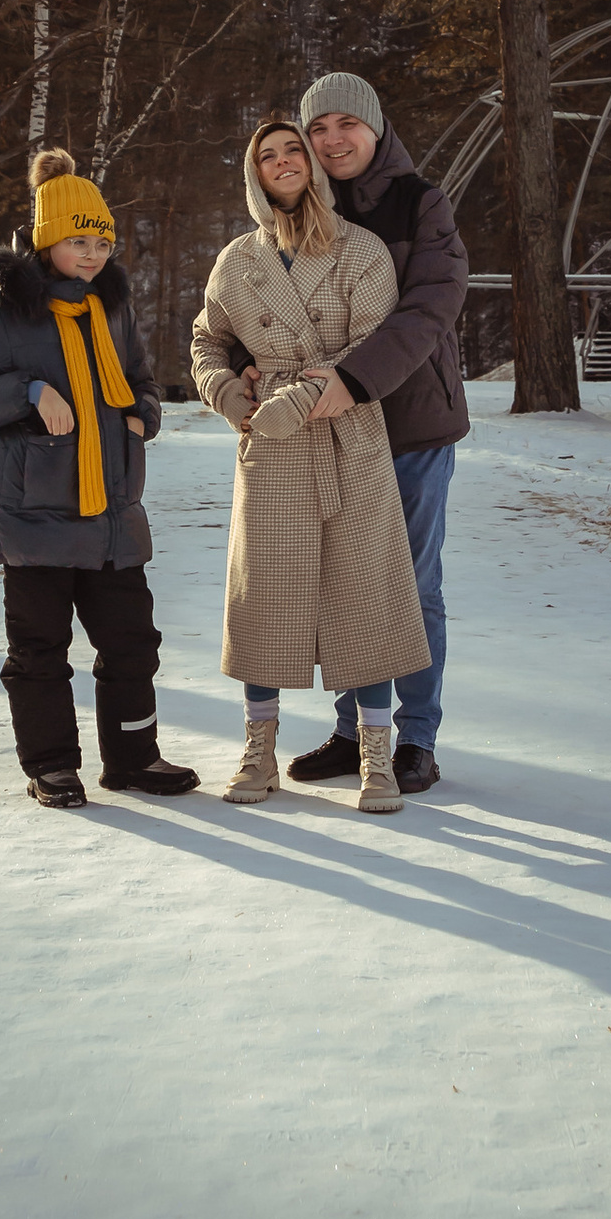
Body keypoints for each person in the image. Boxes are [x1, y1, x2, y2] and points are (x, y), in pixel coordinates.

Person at [0, 148, 200, 811]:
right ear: (47, 241)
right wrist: (29, 391)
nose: (92, 255)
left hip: (112, 516)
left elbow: (142, 380)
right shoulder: (9, 314)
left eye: (102, 243)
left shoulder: (111, 310)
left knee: (132, 645)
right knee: (39, 652)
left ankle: (134, 759)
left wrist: (142, 416)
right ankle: (52, 766)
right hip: (35, 520)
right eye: (78, 242)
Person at [191, 118, 430, 817]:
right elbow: (208, 338)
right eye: (266, 155)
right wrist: (228, 393)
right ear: (255, 175)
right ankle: (259, 750)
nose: (282, 160)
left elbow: (370, 346)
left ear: (312, 164)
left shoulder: (362, 250)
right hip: (268, 445)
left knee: (365, 592)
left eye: (292, 148)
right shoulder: (237, 260)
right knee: (264, 596)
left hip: (348, 432)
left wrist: (297, 400)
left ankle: (376, 756)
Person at [281, 67, 469, 794]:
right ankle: (355, 731)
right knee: (344, 583)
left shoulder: (421, 203)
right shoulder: (301, 206)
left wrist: (354, 380)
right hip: (329, 427)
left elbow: (430, 306)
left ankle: (416, 738)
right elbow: (269, 297)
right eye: (318, 128)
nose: (333, 140)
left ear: (377, 126)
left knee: (411, 585)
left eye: (347, 124)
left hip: (411, 425)